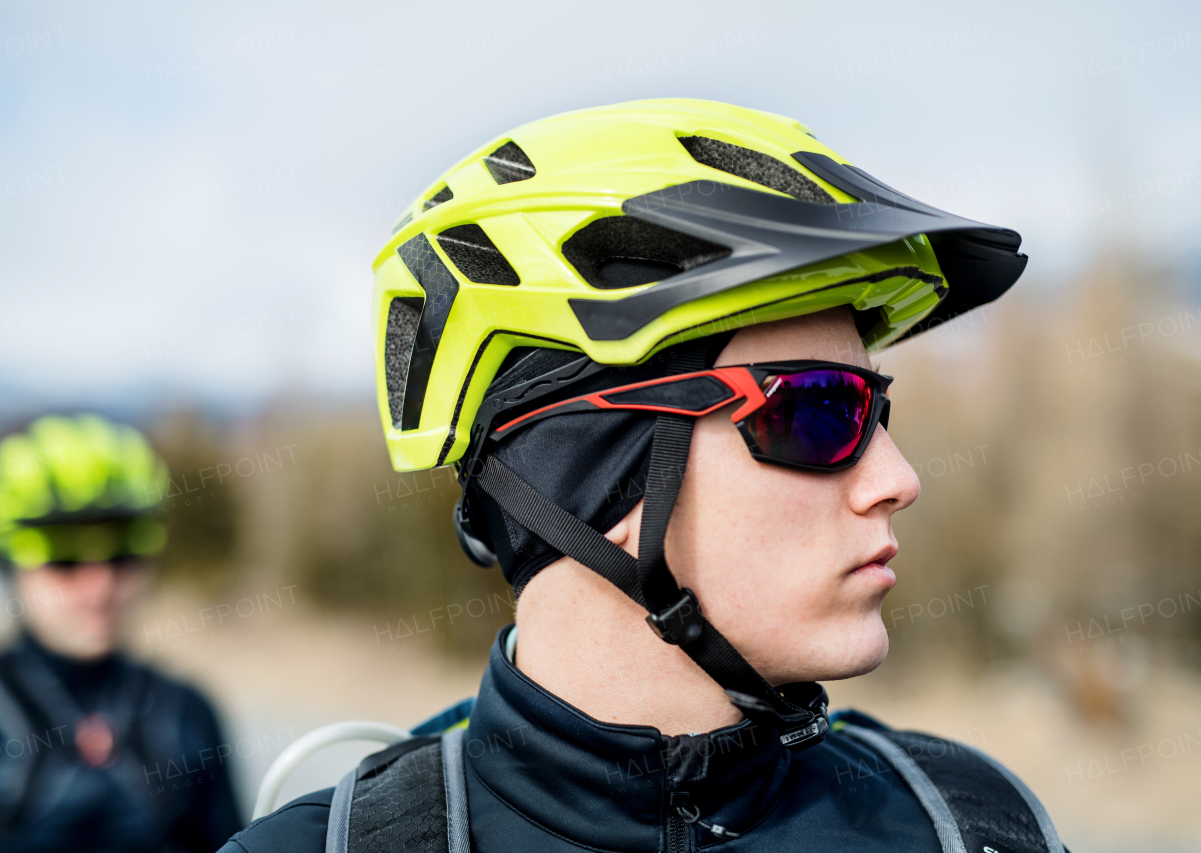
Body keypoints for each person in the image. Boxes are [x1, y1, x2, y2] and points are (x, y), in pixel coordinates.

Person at [224, 99, 1065, 853]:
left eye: (875, 412)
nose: (897, 478)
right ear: (598, 476)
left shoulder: (969, 821)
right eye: (819, 410)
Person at [0, 413, 242, 852]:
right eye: (64, 560)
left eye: (122, 555)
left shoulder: (190, 713)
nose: (100, 587)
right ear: (8, 566)